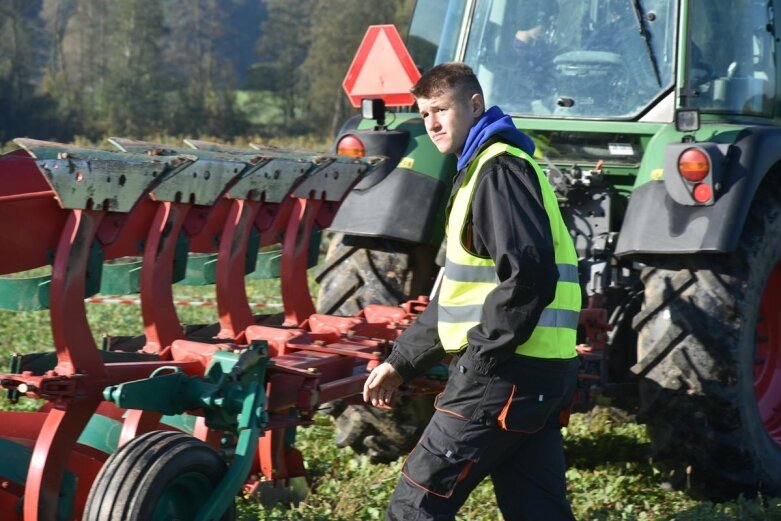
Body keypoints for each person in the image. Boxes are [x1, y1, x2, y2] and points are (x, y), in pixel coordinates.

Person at [363, 62, 581, 520]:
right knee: (538, 510)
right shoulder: (486, 169)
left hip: (501, 376)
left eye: (441, 109)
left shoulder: (498, 170)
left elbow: (529, 276)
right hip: (535, 376)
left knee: (414, 507)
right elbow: (458, 294)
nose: (433, 123)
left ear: (474, 104)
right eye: (424, 114)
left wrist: (480, 358)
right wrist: (401, 361)